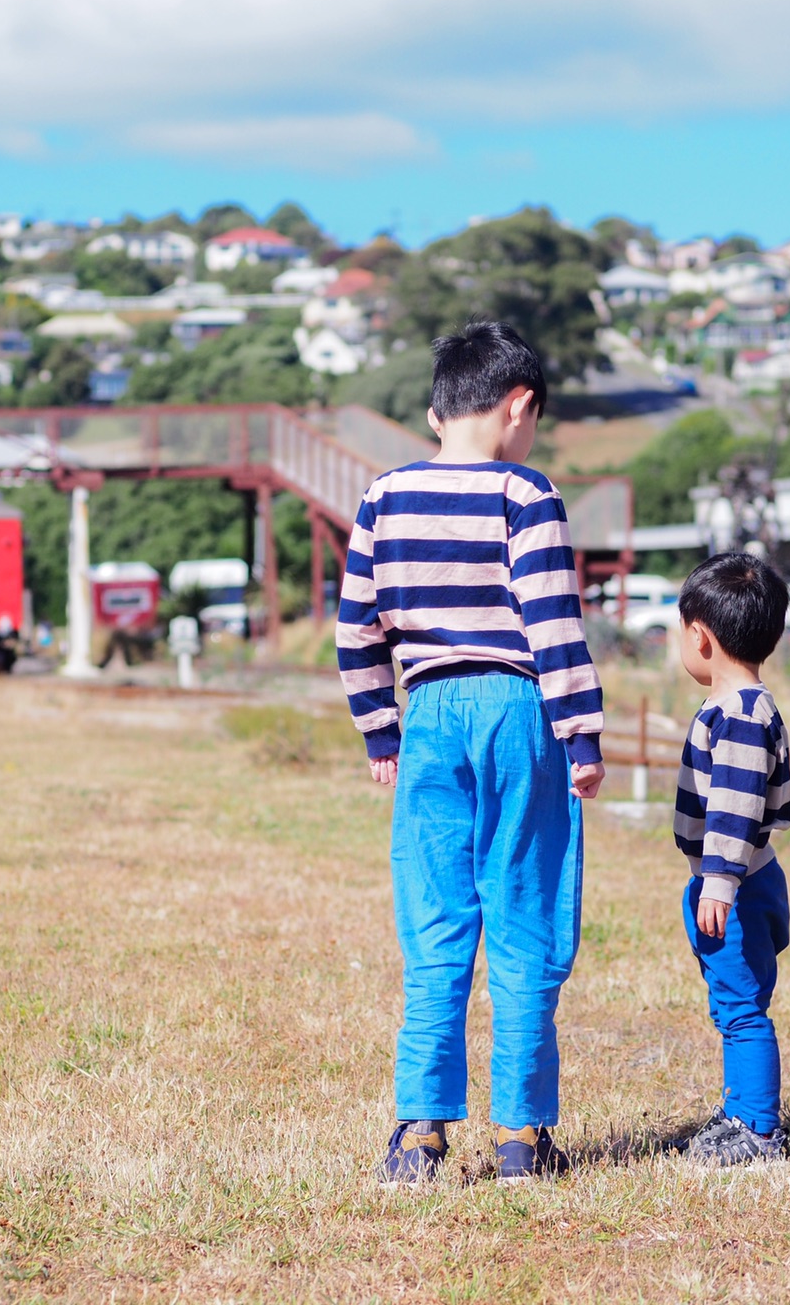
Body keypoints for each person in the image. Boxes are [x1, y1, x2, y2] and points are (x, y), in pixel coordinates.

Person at [336, 320, 605, 1186]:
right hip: (517, 706)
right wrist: (583, 734)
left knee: (435, 921)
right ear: (519, 405)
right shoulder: (525, 495)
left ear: (436, 409)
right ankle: (522, 1138)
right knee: (525, 914)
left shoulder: (383, 496)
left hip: (430, 714)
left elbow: (355, 630)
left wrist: (382, 727)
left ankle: (418, 1134)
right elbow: (554, 626)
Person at [670, 551, 790, 1165]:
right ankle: (740, 1109)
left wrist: (718, 883)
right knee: (733, 1003)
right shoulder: (743, 707)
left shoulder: (740, 716)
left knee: (742, 1009)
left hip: (737, 885)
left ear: (700, 636)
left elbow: (736, 806)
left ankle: (759, 1130)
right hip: (743, 879)